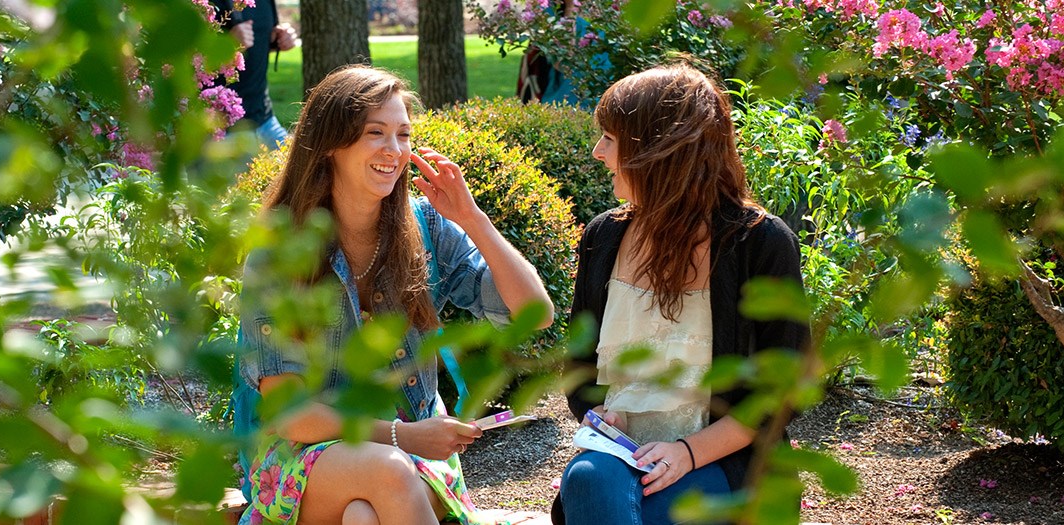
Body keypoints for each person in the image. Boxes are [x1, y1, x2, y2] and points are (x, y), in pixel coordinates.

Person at [235, 65, 554, 525]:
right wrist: (403, 437)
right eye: (375, 133)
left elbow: (534, 313)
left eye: (403, 135)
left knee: (365, 516)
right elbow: (292, 415)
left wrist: (472, 218)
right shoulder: (280, 253)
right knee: (387, 471)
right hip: (303, 460)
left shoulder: (426, 228)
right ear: (330, 145)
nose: (394, 150)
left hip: (413, 461)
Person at [553, 63, 810, 525]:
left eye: (610, 139)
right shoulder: (602, 238)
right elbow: (579, 370)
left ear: (657, 151)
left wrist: (687, 454)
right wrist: (597, 416)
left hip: (721, 461)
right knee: (589, 481)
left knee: (651, 512)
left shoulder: (760, 243)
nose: (597, 152)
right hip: (618, 455)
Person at [213, 0, 297, 150]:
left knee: (304, 169)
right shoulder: (200, 3)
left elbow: (262, 38)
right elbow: (176, 58)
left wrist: (280, 39)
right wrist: (227, 45)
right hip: (219, 130)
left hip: (265, 119)